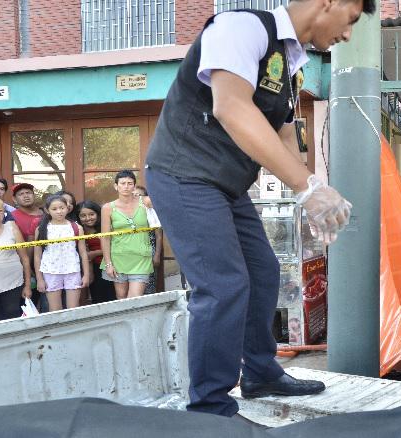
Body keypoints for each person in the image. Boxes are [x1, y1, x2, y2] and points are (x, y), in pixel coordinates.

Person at [144, 0, 372, 417]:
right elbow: (230, 107)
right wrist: (309, 188)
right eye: (352, 19)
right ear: (332, 3)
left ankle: (260, 372)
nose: (348, 34)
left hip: (228, 185)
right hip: (184, 174)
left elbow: (285, 136)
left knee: (264, 271)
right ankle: (210, 406)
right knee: (224, 286)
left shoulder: (291, 65)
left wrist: (312, 194)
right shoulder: (241, 28)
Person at [101, 171, 153, 300]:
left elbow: (163, 198)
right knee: (122, 298)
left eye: (130, 183)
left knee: (134, 299)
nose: (126, 186)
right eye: (122, 183)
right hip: (118, 258)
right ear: (116, 186)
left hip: (141, 257)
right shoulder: (108, 208)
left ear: (134, 186)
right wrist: (108, 263)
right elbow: (105, 236)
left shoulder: (145, 202)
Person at [33, 195, 90, 312]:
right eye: (54, 209)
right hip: (50, 271)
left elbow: (83, 253)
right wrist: (39, 279)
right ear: (47, 210)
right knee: (55, 310)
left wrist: (86, 274)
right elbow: (37, 255)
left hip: (73, 270)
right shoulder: (41, 229)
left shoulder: (76, 227)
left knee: (73, 309)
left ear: (67, 208)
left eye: (62, 208)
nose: (59, 211)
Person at [78, 201, 116, 304]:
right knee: (97, 298)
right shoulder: (79, 230)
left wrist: (95, 253)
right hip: (91, 268)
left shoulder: (106, 226)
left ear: (98, 214)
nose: (88, 218)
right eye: (83, 215)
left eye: (91, 214)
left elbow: (114, 246)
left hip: (108, 265)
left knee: (111, 297)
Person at [133, 185, 163, 294]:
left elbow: (159, 235)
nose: (136, 197)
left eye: (139, 195)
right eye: (133, 195)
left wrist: (157, 255)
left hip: (149, 252)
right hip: (130, 254)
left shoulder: (150, 211)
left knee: (149, 285)